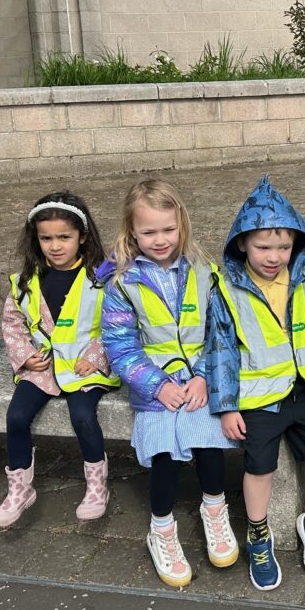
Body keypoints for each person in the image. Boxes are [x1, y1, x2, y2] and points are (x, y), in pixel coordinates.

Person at [100, 178, 238, 588]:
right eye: (148, 232)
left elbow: (220, 333)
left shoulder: (205, 273)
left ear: (182, 225)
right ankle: (161, 529)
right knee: (165, 454)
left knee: (209, 442)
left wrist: (204, 377)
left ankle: (215, 509)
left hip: (199, 382)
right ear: (131, 232)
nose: (160, 240)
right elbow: (120, 346)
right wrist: (157, 386)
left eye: (168, 229)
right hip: (154, 388)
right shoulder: (122, 283)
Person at [208, 176, 305, 591]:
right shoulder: (227, 289)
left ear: (296, 245)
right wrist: (226, 406)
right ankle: (258, 535)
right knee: (259, 466)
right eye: (263, 247)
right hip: (259, 397)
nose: (274, 257)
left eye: (283, 247)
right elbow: (220, 349)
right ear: (242, 245)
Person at [0, 191, 119, 527]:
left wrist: (96, 357)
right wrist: (25, 357)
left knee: (83, 415)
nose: (55, 246)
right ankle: (20, 488)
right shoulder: (25, 281)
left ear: (83, 236)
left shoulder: (101, 278)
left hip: (84, 367)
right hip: (44, 367)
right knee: (17, 416)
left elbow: (117, 322)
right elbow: (13, 323)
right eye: (46, 238)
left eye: (64, 237)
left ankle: (97, 486)